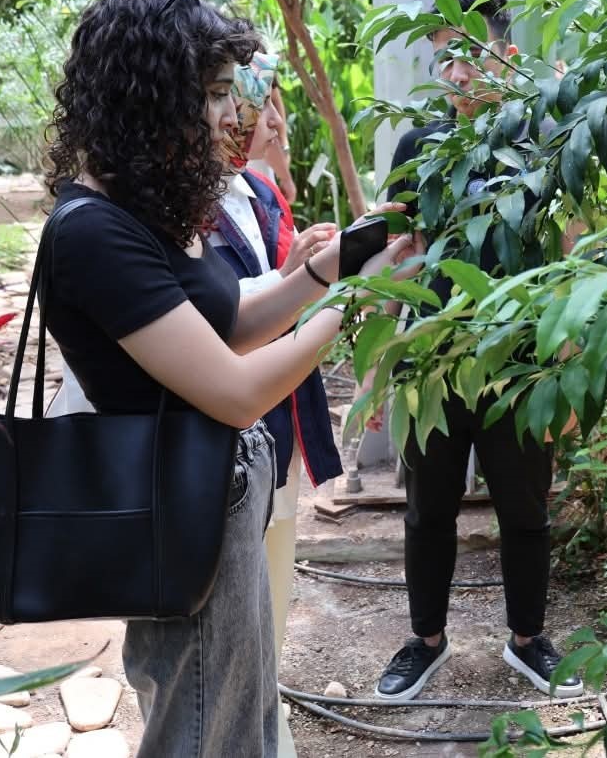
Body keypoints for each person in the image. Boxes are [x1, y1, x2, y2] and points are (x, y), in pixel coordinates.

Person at [40, 0, 416, 757]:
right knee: (204, 728)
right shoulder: (93, 233)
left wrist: (331, 269)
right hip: (179, 519)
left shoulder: (141, 209)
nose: (229, 113)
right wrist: (361, 301)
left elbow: (230, 323)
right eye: (211, 93)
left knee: (238, 721)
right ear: (149, 96)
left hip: (216, 497)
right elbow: (238, 390)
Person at [372, 0, 583, 702]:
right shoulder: (418, 145)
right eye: (443, 59)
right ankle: (425, 641)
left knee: (525, 510)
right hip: (432, 363)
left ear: (507, 56)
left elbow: (569, 252)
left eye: (468, 54)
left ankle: (528, 640)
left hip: (519, 365)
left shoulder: (543, 141)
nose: (456, 72)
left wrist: (567, 363)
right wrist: (382, 359)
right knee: (427, 511)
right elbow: (402, 252)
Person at [209, 51, 342, 758]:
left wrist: (302, 273)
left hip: (276, 430)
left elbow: (266, 297)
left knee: (272, 595)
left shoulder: (254, 194)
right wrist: (337, 297)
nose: (257, 123)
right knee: (230, 619)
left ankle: (269, 725)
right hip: (229, 436)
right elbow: (223, 328)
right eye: (240, 105)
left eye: (255, 108)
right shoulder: (178, 210)